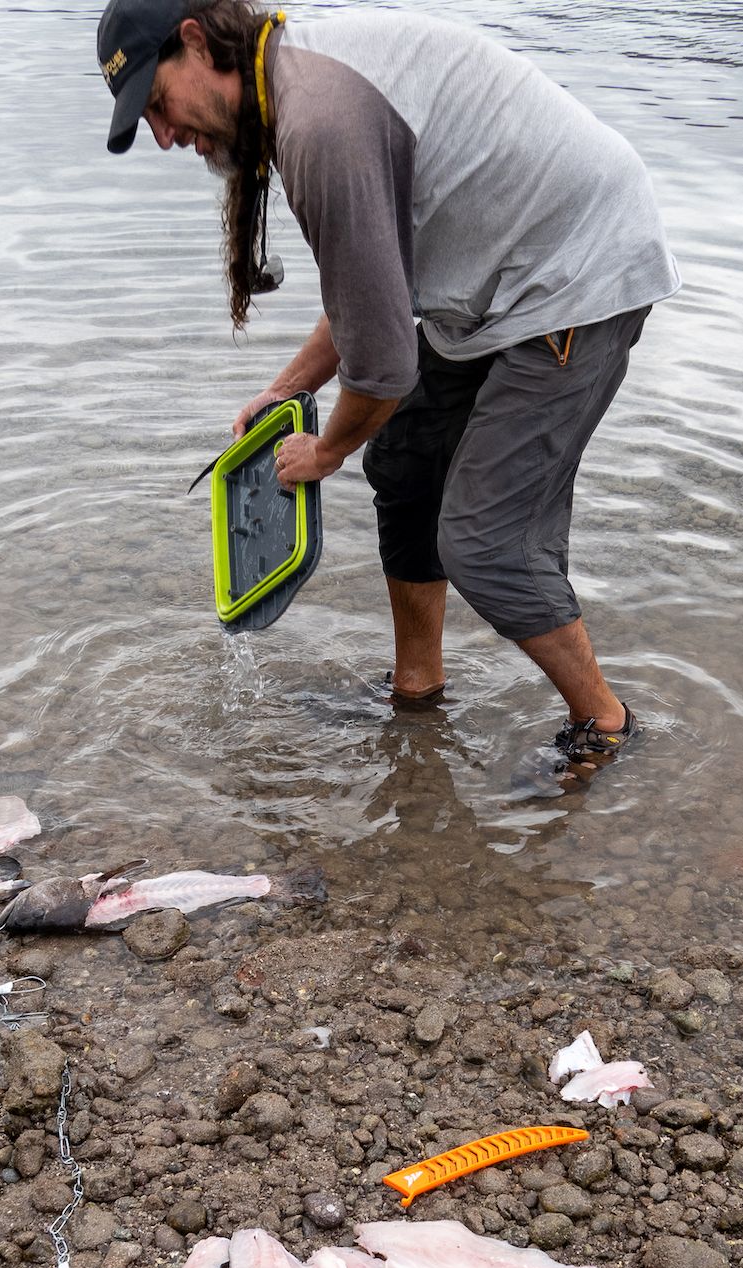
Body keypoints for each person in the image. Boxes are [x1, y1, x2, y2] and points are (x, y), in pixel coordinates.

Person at [95, 0, 679, 773]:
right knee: (405, 462)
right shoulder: (293, 89)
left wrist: (326, 449)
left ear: (198, 43)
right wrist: (287, 388)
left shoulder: (319, 124)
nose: (165, 135)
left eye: (159, 104)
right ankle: (418, 688)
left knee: (483, 540)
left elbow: (382, 370)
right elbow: (369, 295)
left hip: (576, 270)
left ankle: (604, 724)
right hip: (495, 276)